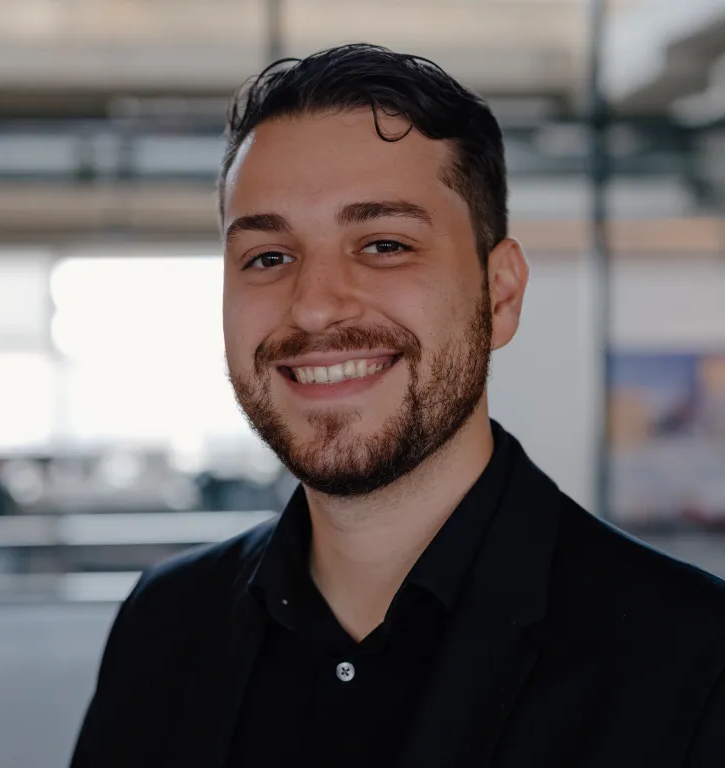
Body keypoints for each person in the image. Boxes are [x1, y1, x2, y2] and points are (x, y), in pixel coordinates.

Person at [71, 44, 725, 768]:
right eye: (267, 257)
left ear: (499, 295)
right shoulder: (164, 625)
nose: (315, 307)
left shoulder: (692, 659)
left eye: (384, 244)